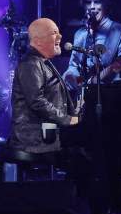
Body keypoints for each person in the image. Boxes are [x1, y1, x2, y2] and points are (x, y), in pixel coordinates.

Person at [9, 18, 78, 155]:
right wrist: (67, 119)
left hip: (46, 134)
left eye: (58, 32)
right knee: (82, 156)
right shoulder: (31, 64)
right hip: (33, 139)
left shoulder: (43, 61)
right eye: (53, 33)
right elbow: (37, 101)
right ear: (38, 40)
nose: (60, 36)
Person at [63, 0, 121, 94]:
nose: (92, 6)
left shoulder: (119, 31)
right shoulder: (80, 34)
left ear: (105, 5)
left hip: (113, 93)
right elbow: (74, 67)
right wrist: (72, 77)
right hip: (85, 94)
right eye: (88, 2)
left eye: (97, 2)